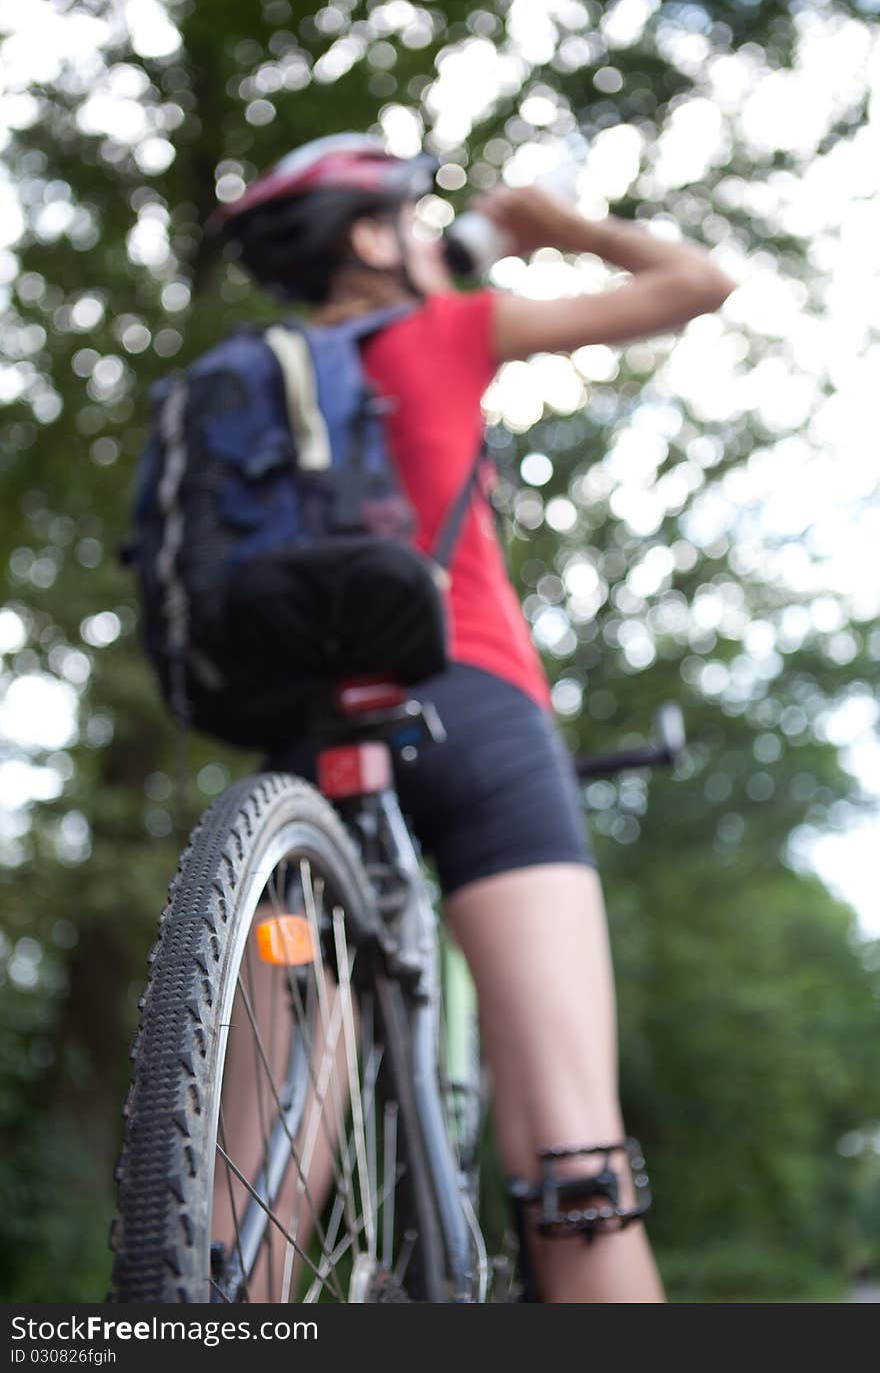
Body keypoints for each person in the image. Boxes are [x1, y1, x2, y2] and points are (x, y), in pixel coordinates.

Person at [216, 133, 736, 1303]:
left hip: (308, 751)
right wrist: (571, 231)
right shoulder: (442, 332)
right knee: (572, 1148)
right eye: (404, 216)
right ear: (365, 237)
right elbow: (698, 287)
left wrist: (461, 241)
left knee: (245, 1187)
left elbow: (434, 257)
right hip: (473, 713)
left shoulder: (266, 378)